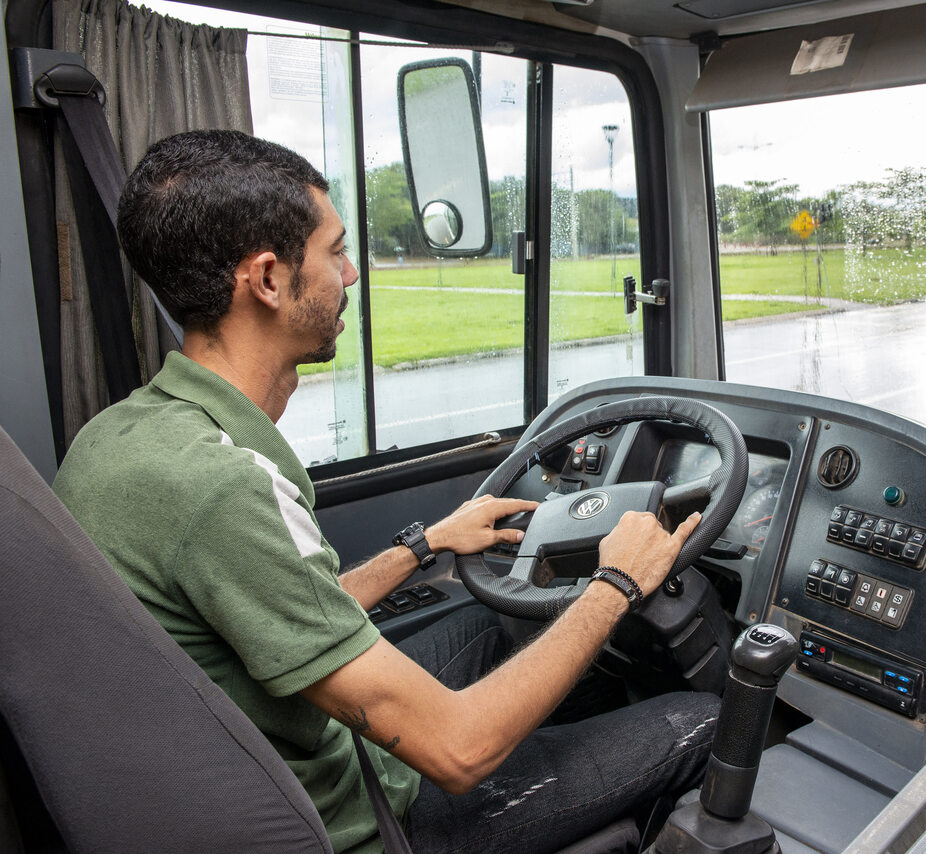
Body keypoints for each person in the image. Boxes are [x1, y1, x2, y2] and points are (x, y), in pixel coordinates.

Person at [52, 129, 719, 854]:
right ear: (268, 279)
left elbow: (278, 607)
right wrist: (620, 579)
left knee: (503, 628)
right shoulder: (222, 486)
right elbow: (460, 752)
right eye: (336, 251)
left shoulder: (118, 437)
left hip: (274, 758)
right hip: (365, 816)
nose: (353, 273)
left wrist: (425, 544)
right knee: (701, 717)